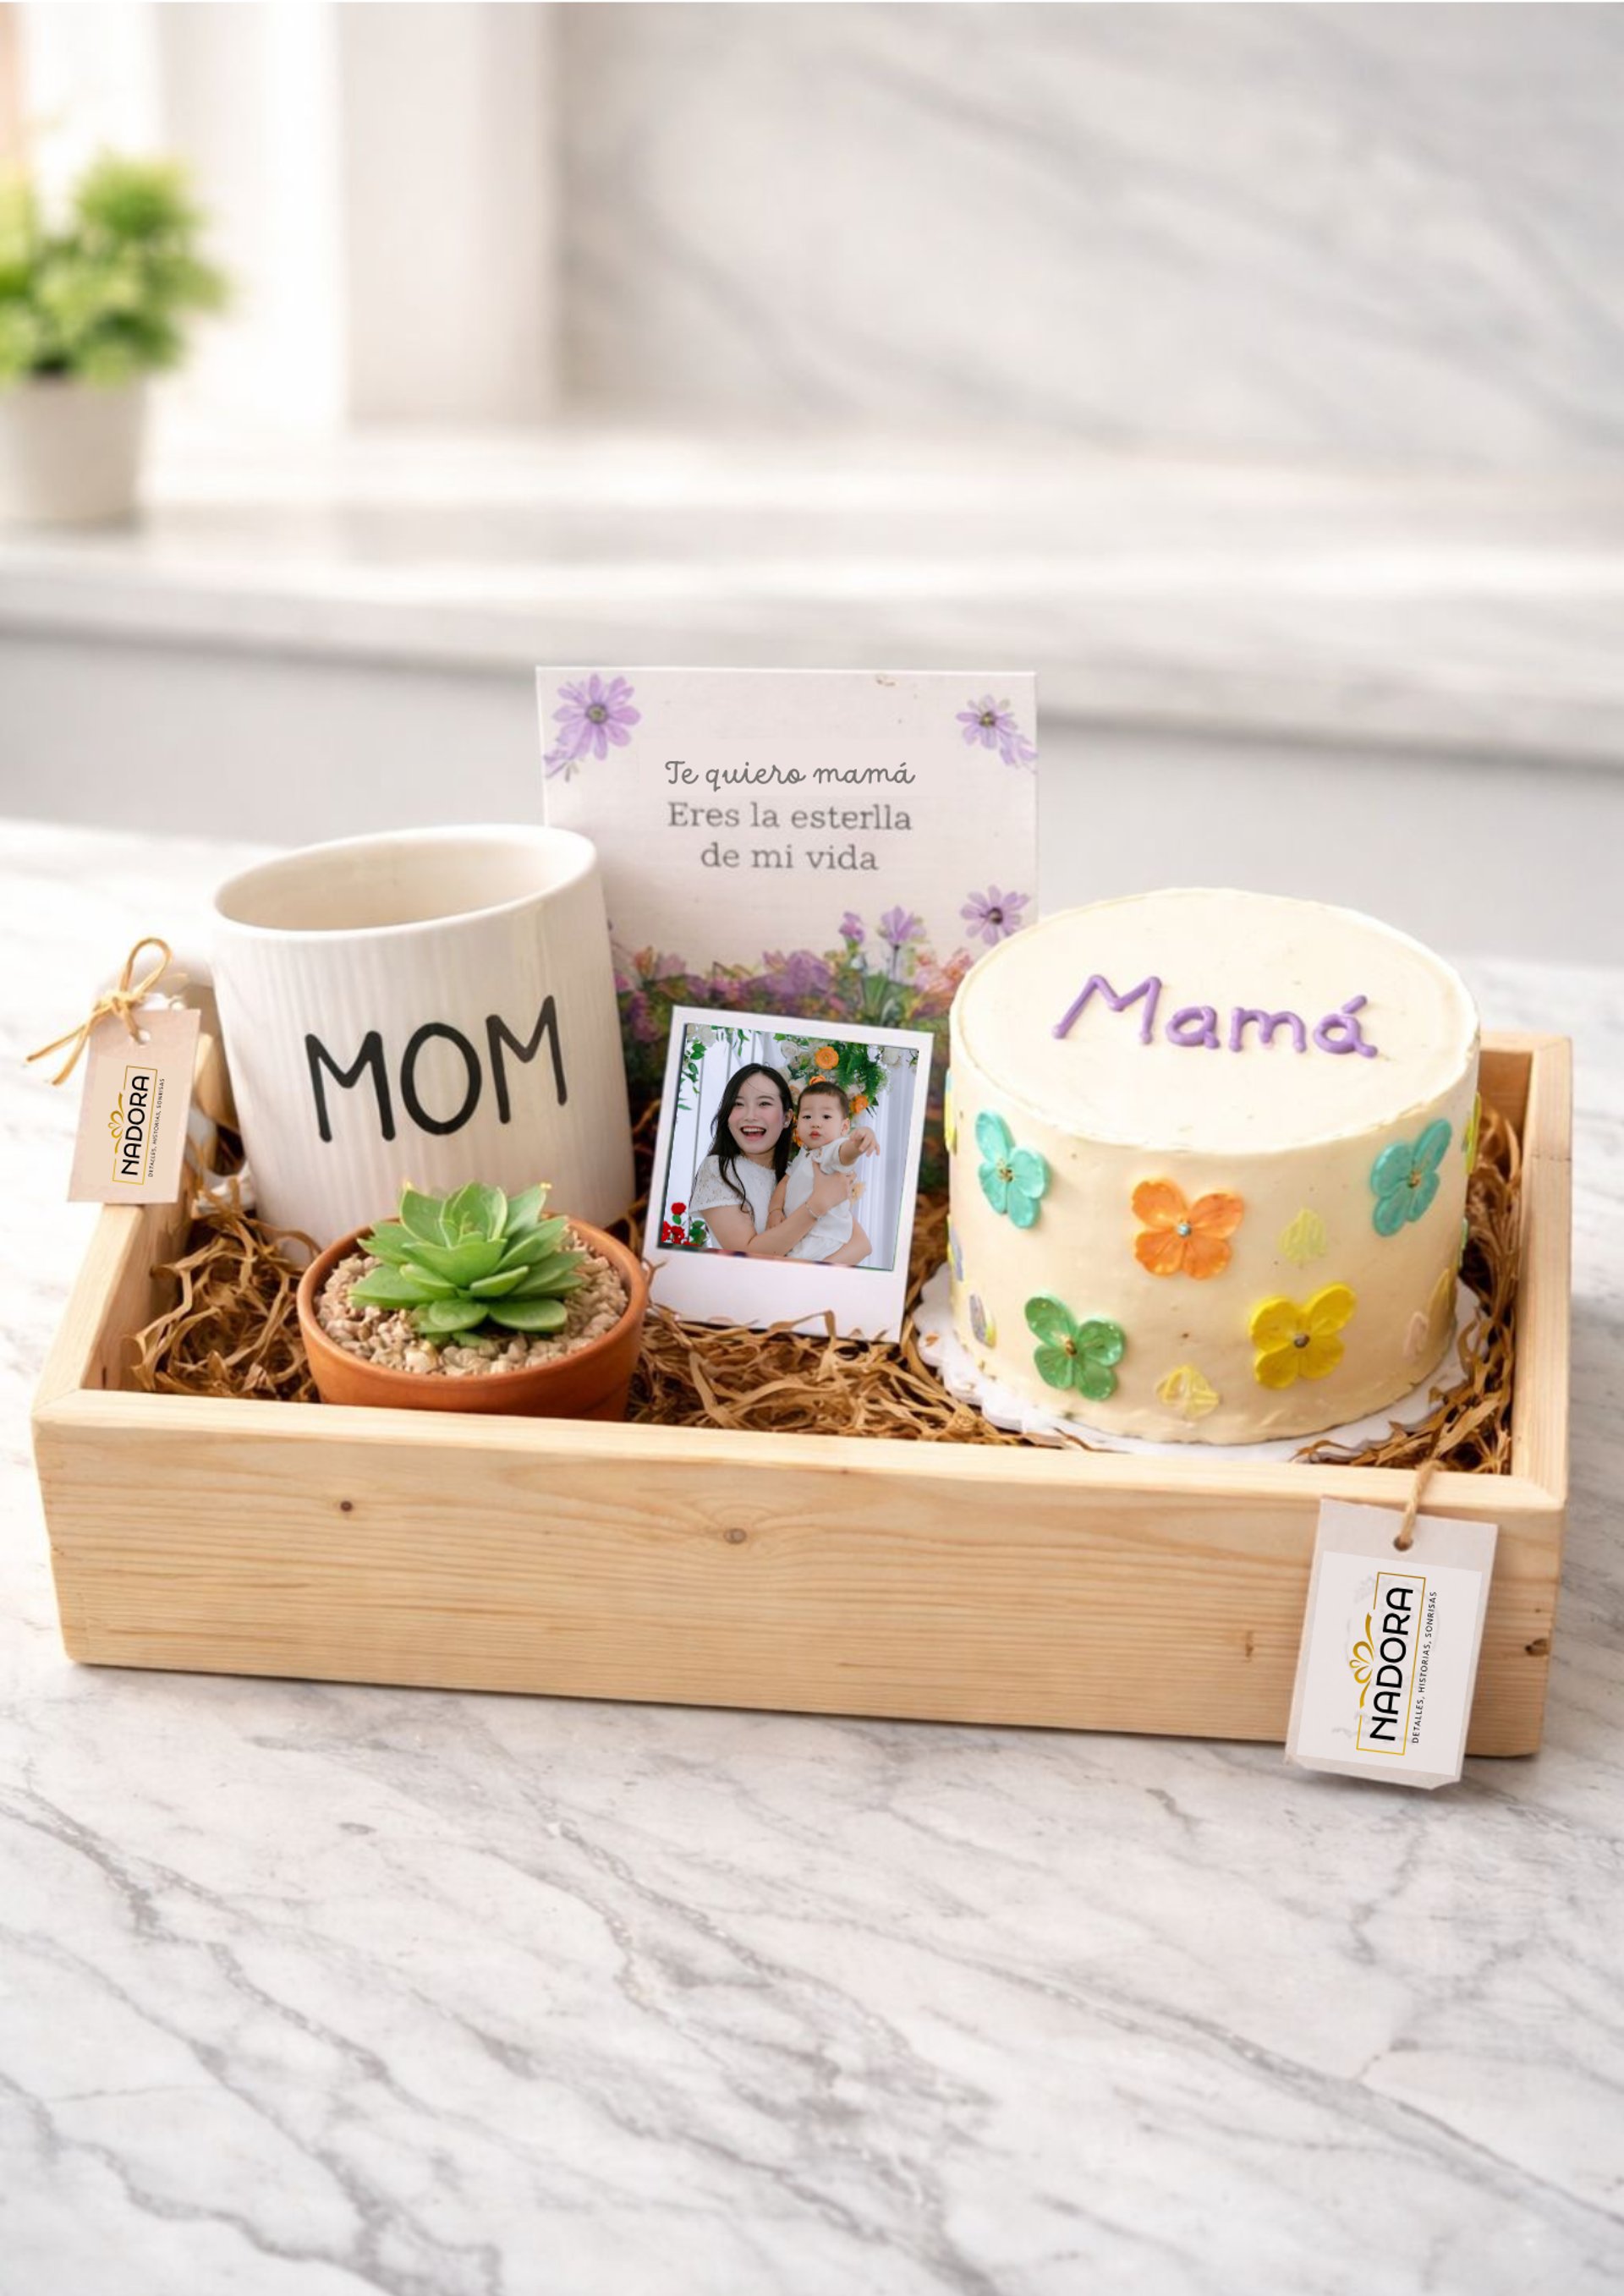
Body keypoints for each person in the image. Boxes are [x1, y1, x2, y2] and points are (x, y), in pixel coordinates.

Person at [687, 1061, 870, 1261]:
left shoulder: (799, 1169)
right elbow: (745, 1255)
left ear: (788, 1118)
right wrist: (817, 1205)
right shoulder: (719, 1170)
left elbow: (861, 1245)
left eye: (764, 1103)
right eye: (738, 1104)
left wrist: (802, 1284)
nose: (750, 1116)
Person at [766, 1079, 879, 1263]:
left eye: (826, 1117)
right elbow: (786, 1182)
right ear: (797, 1122)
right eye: (807, 1117)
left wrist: (859, 1142)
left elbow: (846, 1154)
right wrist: (775, 1210)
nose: (815, 1123)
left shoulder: (831, 1150)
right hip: (803, 1233)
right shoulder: (804, 1154)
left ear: (844, 1127)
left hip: (822, 1238)